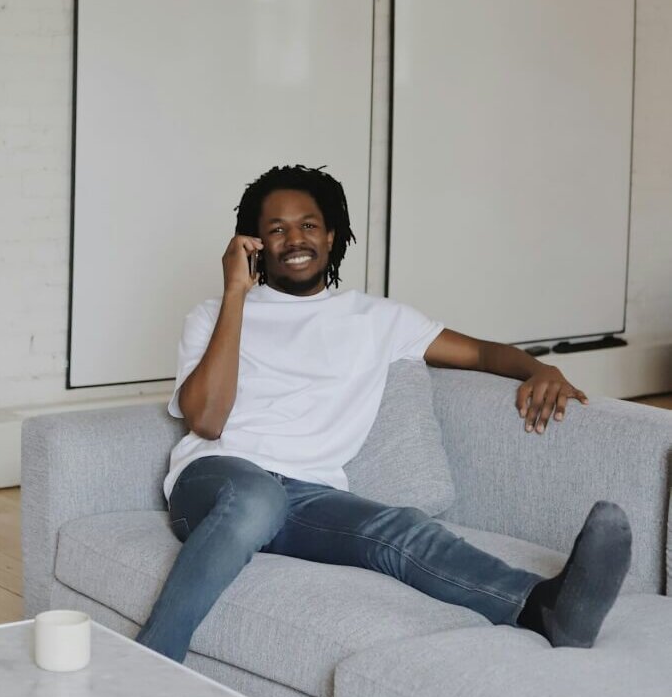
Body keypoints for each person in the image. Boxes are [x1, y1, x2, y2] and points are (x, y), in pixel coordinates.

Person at [135, 164, 632, 664]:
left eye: (308, 224)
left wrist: (537, 368)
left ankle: (544, 608)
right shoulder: (213, 314)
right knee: (257, 495)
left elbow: (482, 355)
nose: (294, 239)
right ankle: (152, 663)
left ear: (331, 235)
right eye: (276, 229)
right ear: (255, 245)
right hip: (215, 485)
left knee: (401, 529)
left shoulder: (377, 319)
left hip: (306, 496)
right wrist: (236, 296)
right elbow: (207, 421)